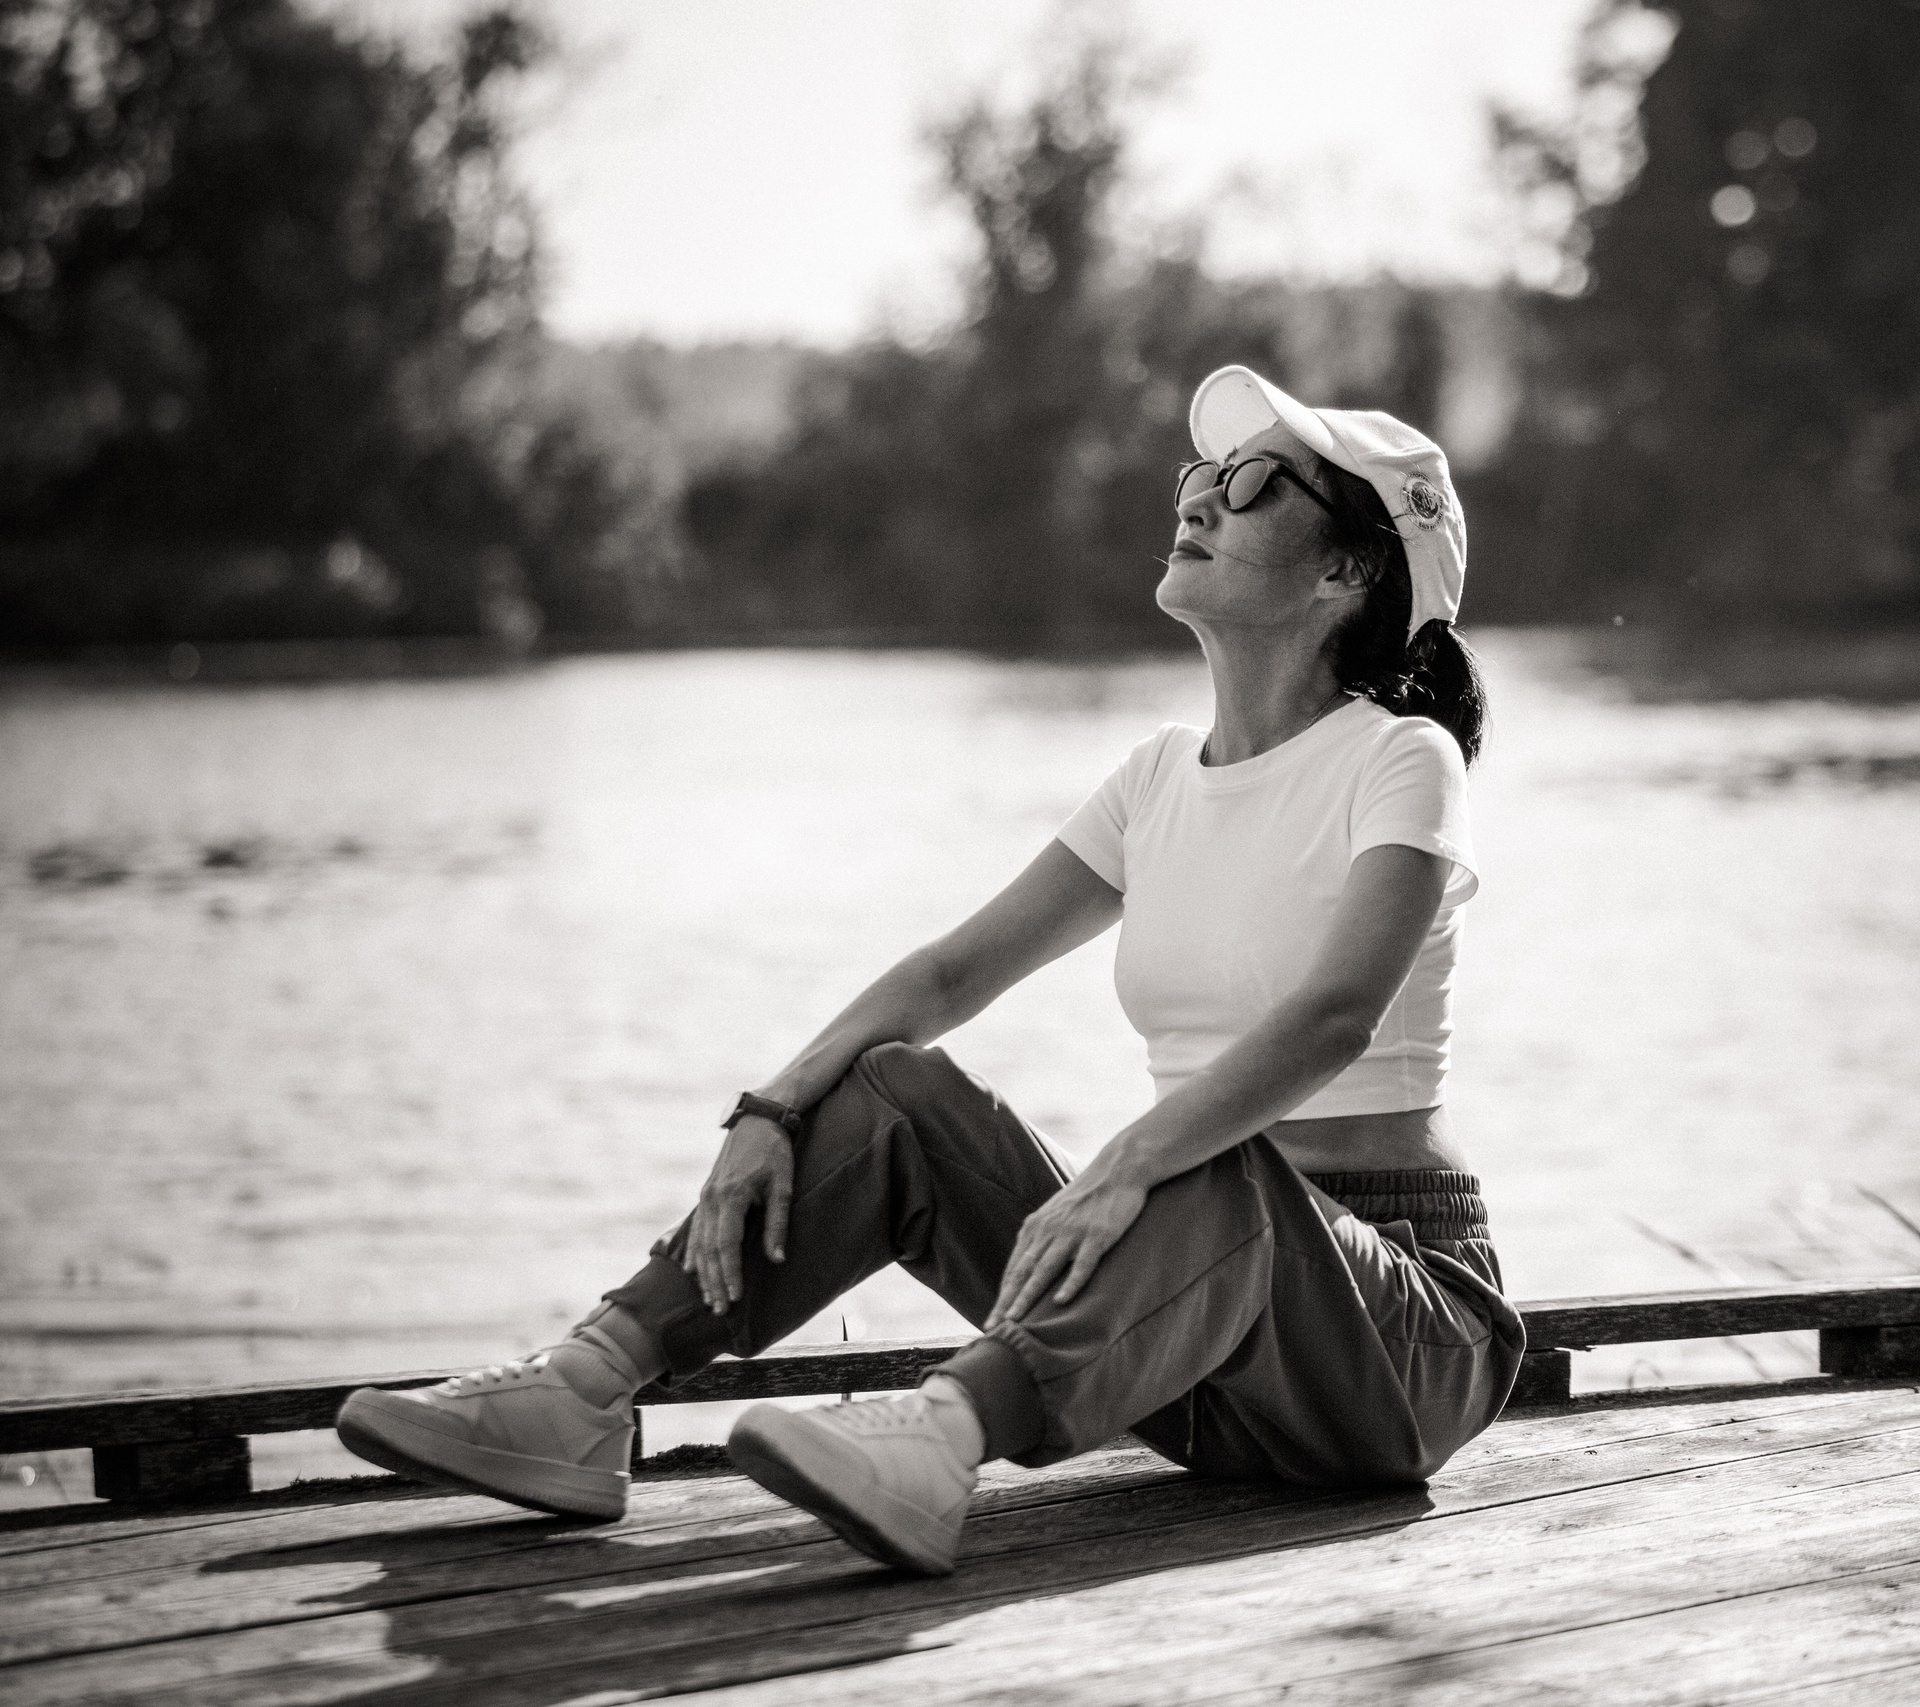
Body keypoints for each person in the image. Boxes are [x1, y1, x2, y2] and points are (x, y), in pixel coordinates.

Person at [334, 365, 1523, 1577]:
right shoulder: (1157, 777)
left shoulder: (1403, 759)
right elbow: (951, 972)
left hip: (1399, 1353)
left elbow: (1331, 1020)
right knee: (894, 1087)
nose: (1205, 500)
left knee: (1216, 1167)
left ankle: (941, 1439)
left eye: (1257, 484)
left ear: (1347, 571)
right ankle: (587, 1387)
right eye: (1202, 476)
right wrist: (774, 1102)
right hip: (1190, 1358)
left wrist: (1122, 1168)